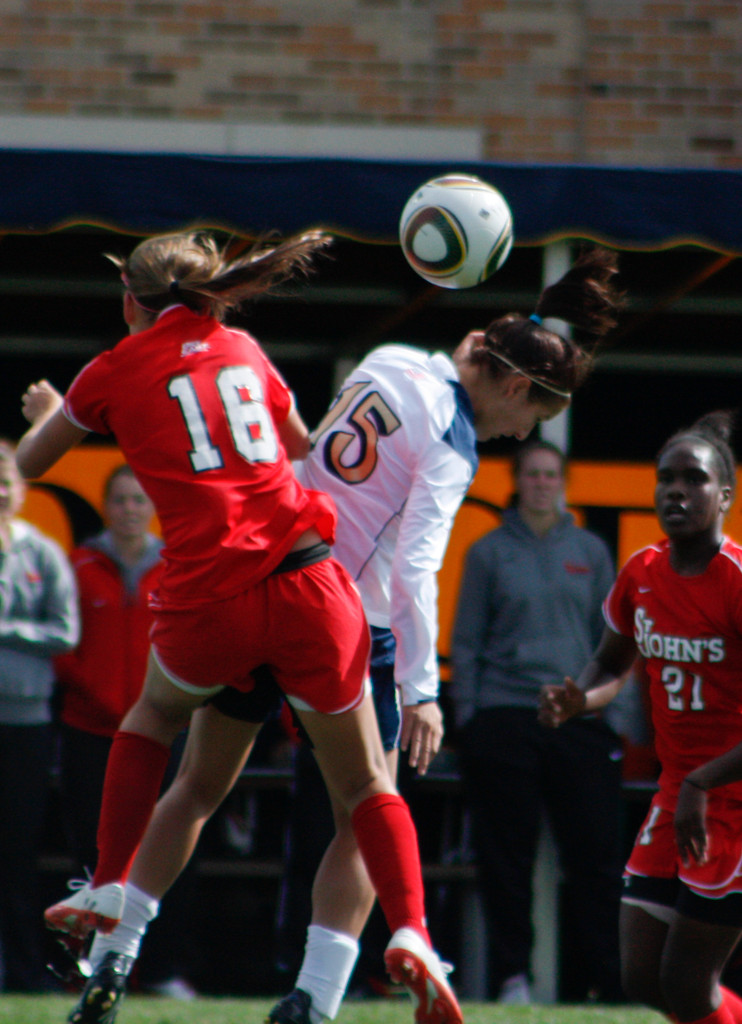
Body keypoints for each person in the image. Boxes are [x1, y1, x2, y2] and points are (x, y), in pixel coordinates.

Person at [58, 245, 624, 1024]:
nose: (517, 434)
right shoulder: (452, 450)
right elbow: (415, 577)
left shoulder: (391, 358)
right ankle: (318, 998)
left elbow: (306, 442)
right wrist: (423, 692)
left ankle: (113, 952)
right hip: (340, 618)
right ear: (518, 386)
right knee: (368, 802)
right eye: (530, 419)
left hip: (258, 575)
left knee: (195, 786)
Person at [15, 227, 462, 1024]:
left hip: (211, 601)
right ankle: (416, 933)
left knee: (160, 730)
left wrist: (60, 410)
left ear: (131, 301)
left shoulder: (113, 368)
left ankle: (113, 887)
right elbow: (300, 449)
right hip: (306, 583)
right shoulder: (245, 347)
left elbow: (31, 463)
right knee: (364, 785)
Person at [539, 410, 742, 1024]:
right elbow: (611, 662)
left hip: (729, 799)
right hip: (679, 794)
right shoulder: (642, 572)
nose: (676, 490)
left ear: (725, 495)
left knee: (685, 983)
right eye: (665, 479)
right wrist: (580, 697)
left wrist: (704, 782)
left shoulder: (735, 580)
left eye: (694, 479)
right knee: (641, 975)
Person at [450, 438, 625, 1003]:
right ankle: (512, 979)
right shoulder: (487, 552)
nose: (543, 483)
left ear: (564, 482)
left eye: (552, 475)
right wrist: (470, 718)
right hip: (504, 718)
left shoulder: (592, 552)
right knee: (506, 860)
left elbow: (616, 643)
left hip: (577, 719)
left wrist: (616, 716)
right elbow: (467, 642)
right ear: (518, 481)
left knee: (596, 859)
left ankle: (606, 980)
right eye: (533, 475)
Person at [54, 463, 197, 998]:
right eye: (120, 500)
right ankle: (84, 969)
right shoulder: (78, 564)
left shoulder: (179, 563)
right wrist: (94, 694)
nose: (131, 509)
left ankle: (160, 971)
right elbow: (63, 645)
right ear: (105, 506)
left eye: (140, 499)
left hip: (166, 733)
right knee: (91, 858)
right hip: (91, 732)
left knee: (168, 855)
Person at [0, 441, 79, 991]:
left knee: (16, 851)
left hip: (25, 725)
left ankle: (25, 970)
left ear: (23, 489)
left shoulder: (44, 552)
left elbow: (65, 632)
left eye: (7, 479)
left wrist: (5, 632)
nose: (0, 491)